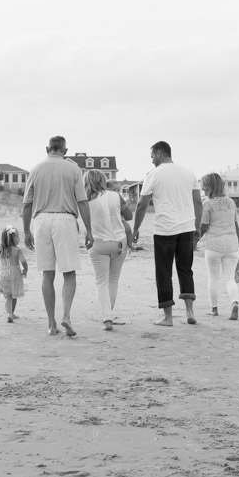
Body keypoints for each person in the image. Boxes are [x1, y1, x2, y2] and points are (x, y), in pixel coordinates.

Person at [22, 136, 94, 336]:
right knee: (69, 272)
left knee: (48, 273)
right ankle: (66, 316)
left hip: (41, 220)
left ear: (47, 149)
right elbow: (82, 201)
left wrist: (26, 231)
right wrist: (89, 229)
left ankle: (51, 323)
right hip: (65, 219)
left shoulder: (35, 169)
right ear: (65, 150)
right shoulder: (73, 169)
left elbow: (26, 204)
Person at [132, 141, 202, 326]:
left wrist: (135, 229)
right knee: (185, 269)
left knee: (164, 272)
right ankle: (189, 312)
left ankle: (168, 317)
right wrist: (197, 226)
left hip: (165, 229)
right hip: (186, 228)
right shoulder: (189, 173)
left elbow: (142, 204)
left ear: (160, 154)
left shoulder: (153, 175)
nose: (152, 161)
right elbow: (198, 202)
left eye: (152, 157)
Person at [85, 170, 131, 331]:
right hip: (119, 242)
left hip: (98, 243)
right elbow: (129, 216)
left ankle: (107, 318)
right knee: (113, 280)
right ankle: (108, 314)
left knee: (101, 282)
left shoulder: (85, 201)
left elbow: (84, 225)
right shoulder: (115, 195)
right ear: (103, 180)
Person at [199, 173, 239, 320]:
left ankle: (214, 309)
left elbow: (204, 227)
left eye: (204, 185)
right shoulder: (231, 202)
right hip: (232, 246)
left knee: (213, 278)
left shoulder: (208, 204)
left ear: (209, 187)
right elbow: (235, 224)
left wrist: (194, 241)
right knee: (229, 278)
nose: (202, 188)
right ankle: (234, 303)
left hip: (214, 246)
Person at [0, 225, 28, 323]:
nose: (19, 238)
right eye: (17, 237)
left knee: (8, 296)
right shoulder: (17, 250)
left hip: (4, 275)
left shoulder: (2, 250)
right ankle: (11, 314)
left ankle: (10, 313)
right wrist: (25, 270)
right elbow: (23, 261)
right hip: (15, 275)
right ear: (12, 239)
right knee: (14, 295)